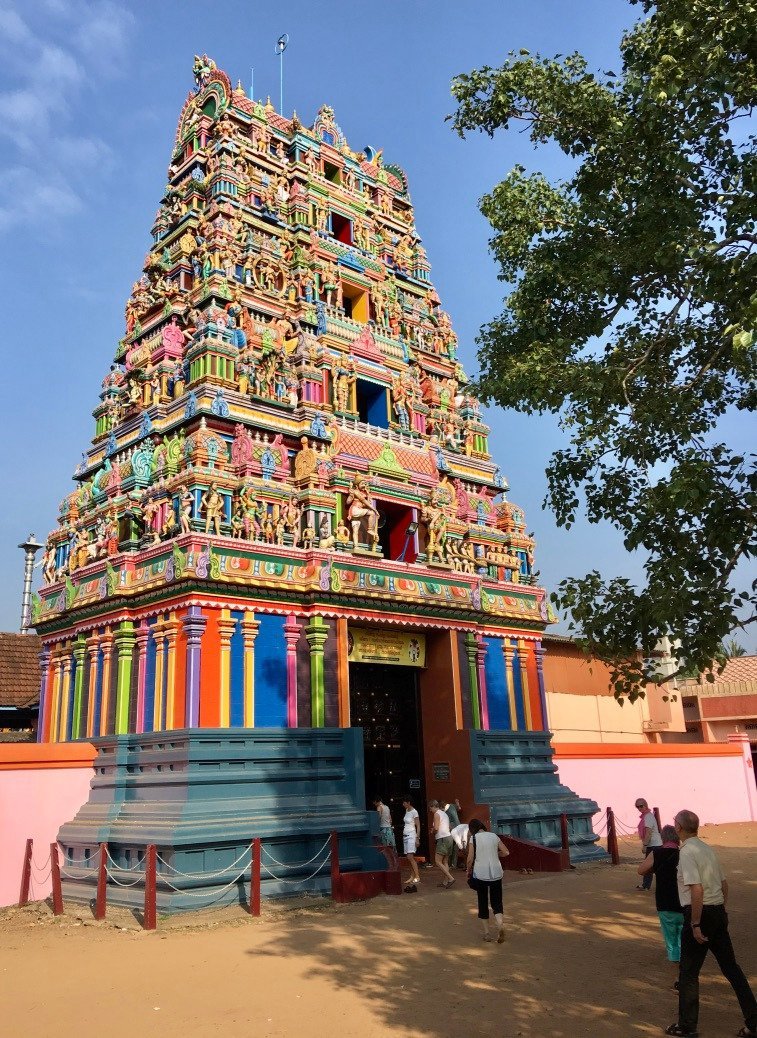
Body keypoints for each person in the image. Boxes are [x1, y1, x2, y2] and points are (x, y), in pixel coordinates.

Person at [664, 809, 757, 1038]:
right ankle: (754, 1021)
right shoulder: (707, 849)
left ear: (679, 828)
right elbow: (724, 884)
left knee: (688, 972)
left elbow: (696, 888)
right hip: (716, 911)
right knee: (731, 968)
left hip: (700, 913)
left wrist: (695, 923)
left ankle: (687, 1025)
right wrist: (721, 910)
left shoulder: (686, 853)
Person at [638, 824, 684, 983]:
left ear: (663, 839)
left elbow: (641, 870)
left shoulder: (656, 854)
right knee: (684, 940)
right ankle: (688, 977)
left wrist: (655, 868)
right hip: (684, 904)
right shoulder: (684, 854)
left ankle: (678, 979)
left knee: (672, 943)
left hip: (665, 904)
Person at [466, 818, 509, 943]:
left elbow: (470, 859)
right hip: (496, 873)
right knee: (497, 901)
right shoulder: (494, 836)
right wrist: (496, 854)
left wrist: (468, 870)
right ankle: (500, 925)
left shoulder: (473, 839)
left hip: (481, 874)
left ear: (472, 829)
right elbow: (506, 852)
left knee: (483, 901)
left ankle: (487, 933)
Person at [635, 797, 662, 890]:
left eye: (641, 806)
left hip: (654, 845)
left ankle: (648, 885)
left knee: (651, 866)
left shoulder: (648, 817)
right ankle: (646, 885)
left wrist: (645, 845)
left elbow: (648, 832)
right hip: (654, 844)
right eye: (637, 807)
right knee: (650, 866)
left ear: (646, 805)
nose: (639, 808)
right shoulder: (646, 816)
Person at [428, 799, 455, 888]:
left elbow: (436, 828)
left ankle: (450, 878)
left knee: (437, 861)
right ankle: (445, 882)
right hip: (449, 838)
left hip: (443, 839)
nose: (430, 810)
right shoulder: (444, 814)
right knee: (445, 861)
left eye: (430, 808)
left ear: (433, 806)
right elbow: (449, 826)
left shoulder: (437, 814)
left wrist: (432, 831)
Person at [401, 796, 421, 892]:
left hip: (412, 835)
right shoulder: (407, 811)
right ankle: (412, 876)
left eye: (404, 803)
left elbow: (418, 825)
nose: (403, 804)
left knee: (410, 856)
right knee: (408, 857)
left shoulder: (414, 812)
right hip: (405, 835)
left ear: (408, 802)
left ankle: (417, 876)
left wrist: (417, 837)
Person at [373, 796, 397, 869]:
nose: (374, 804)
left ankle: (387, 866)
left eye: (374, 802)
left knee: (384, 849)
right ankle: (393, 865)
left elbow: (378, 818)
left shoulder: (379, 807)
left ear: (376, 801)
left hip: (383, 830)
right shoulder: (387, 807)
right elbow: (390, 819)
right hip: (389, 829)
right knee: (390, 849)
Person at [443, 798, 462, 869]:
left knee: (450, 846)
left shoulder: (443, 811)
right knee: (456, 846)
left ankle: (449, 864)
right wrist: (457, 802)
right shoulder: (452, 806)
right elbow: (459, 808)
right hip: (458, 828)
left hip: (450, 829)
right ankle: (454, 864)